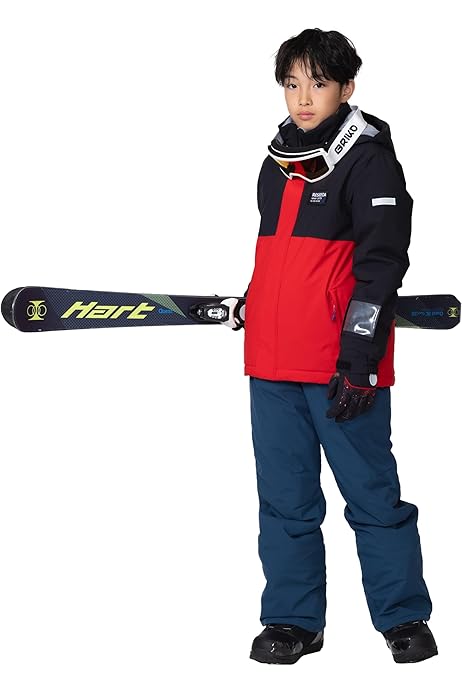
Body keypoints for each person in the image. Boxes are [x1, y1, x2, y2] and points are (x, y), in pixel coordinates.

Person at [225, 28, 438, 664]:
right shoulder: (276, 163)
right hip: (271, 362)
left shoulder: (369, 162)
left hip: (341, 364)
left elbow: (381, 267)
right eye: (292, 84)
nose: (302, 98)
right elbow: (278, 258)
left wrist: (360, 362)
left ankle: (403, 618)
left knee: (371, 495)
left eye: (317, 83)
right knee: (284, 500)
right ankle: (293, 622)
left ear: (347, 88)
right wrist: (255, 303)